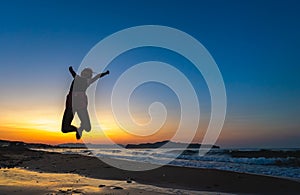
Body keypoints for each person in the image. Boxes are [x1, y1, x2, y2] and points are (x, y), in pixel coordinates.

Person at [61, 66, 109, 139]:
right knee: (65, 129)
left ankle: (81, 128)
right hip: (71, 104)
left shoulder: (88, 81)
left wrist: (105, 73)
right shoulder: (77, 77)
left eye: (87, 74)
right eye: (84, 73)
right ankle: (78, 129)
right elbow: (73, 74)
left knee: (87, 128)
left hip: (81, 104)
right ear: (82, 73)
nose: (85, 74)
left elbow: (97, 76)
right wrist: (71, 70)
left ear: (89, 76)